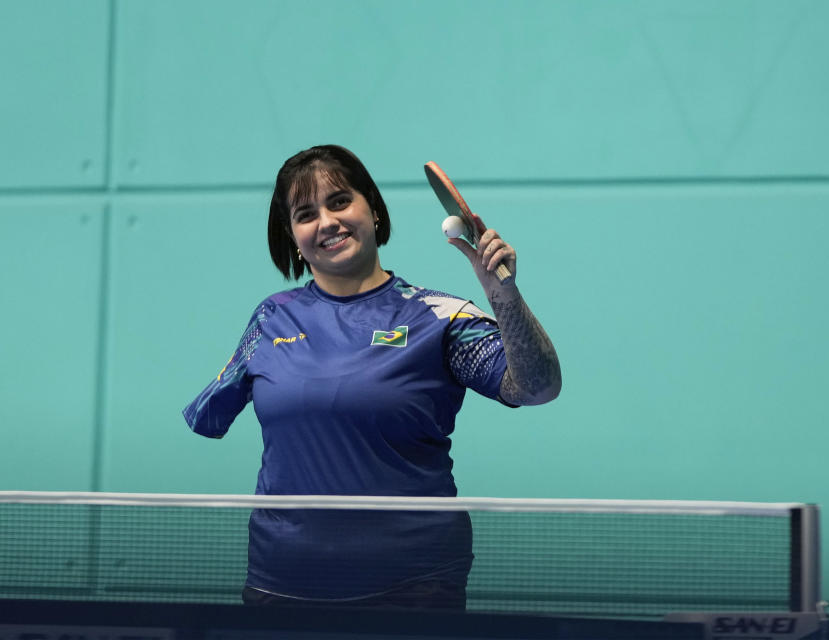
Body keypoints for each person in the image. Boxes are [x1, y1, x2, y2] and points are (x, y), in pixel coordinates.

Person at [182, 145, 561, 609]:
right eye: (306, 214)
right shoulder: (271, 319)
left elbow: (537, 387)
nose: (326, 221)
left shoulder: (438, 316)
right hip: (282, 583)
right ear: (293, 235)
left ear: (373, 211)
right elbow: (207, 415)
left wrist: (502, 294)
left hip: (410, 586)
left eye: (340, 201)